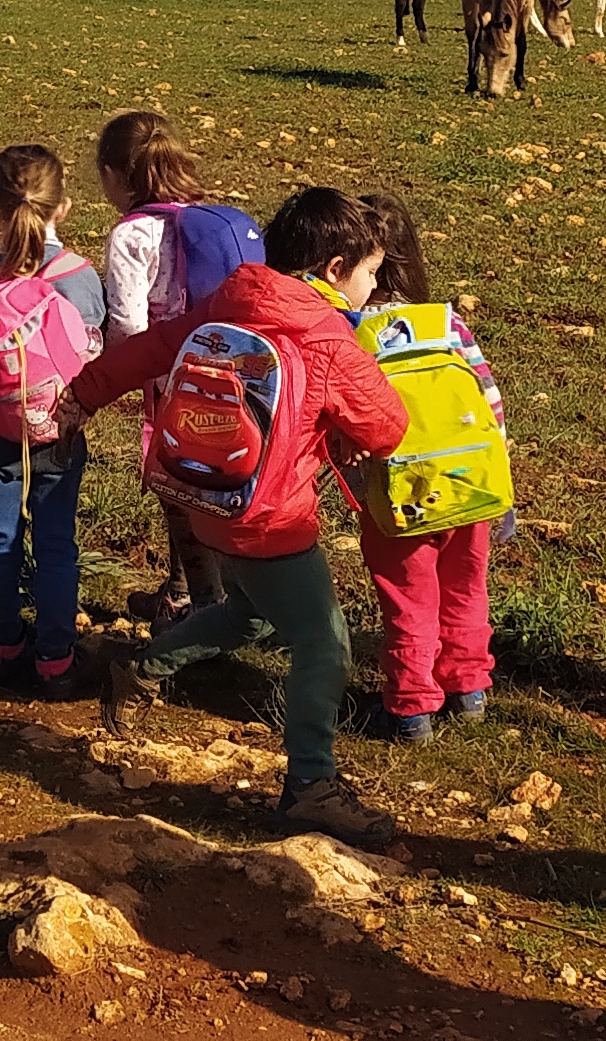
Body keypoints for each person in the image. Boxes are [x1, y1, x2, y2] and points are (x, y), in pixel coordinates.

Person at [80, 186, 410, 840]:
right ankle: (310, 785)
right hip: (272, 515)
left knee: (252, 616)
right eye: (370, 272)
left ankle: (141, 670)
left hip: (209, 500)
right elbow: (387, 426)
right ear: (336, 268)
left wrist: (82, 396)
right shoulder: (325, 338)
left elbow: (148, 349)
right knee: (323, 642)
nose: (371, 289)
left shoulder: (230, 303)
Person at [0, 143, 108, 694]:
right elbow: (93, 353)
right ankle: (55, 657)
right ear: (63, 208)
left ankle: (1, 645)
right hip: (60, 429)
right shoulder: (80, 278)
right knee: (57, 542)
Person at [348, 192, 508, 740]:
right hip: (470, 484)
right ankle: (469, 689)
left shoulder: (355, 334)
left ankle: (411, 707)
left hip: (400, 493)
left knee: (408, 597)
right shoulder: (446, 323)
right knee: (467, 588)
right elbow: (489, 401)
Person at [95, 111, 231, 624]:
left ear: (112, 175)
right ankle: (180, 588)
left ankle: (203, 608)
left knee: (177, 486)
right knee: (213, 478)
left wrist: (105, 376)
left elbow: (129, 326)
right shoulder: (208, 221)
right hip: (225, 368)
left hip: (170, 379)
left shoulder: (133, 236)